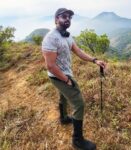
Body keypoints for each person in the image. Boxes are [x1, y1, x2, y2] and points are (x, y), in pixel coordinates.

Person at [42, 8, 106, 150]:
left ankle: (64, 118)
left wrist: (95, 60)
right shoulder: (51, 38)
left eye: (69, 17)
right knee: (79, 104)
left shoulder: (66, 36)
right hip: (58, 76)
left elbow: (78, 51)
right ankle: (77, 141)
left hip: (64, 74)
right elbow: (50, 66)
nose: (67, 19)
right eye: (64, 16)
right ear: (56, 19)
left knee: (63, 96)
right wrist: (66, 80)